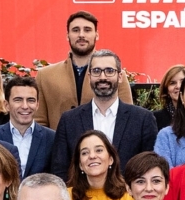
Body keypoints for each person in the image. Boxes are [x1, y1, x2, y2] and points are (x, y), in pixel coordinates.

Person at [51, 50, 158, 182]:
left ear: (119, 77)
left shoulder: (143, 119)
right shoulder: (69, 120)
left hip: (127, 199)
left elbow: (149, 166)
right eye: (96, 71)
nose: (102, 77)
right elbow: (59, 169)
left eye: (109, 71)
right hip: (81, 199)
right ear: (89, 76)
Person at [34, 11, 133, 126]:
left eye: (87, 30)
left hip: (104, 143)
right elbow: (39, 123)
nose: (81, 35)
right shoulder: (45, 76)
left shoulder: (115, 75)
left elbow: (127, 120)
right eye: (76, 30)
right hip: (59, 142)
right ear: (67, 35)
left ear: (97, 34)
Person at [0, 77, 56, 177]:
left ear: (37, 105)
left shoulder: (52, 138)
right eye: (18, 100)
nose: (25, 106)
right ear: (6, 105)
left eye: (31, 100)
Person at [153, 64, 185, 130]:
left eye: (183, 82)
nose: (178, 86)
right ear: (167, 90)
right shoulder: (155, 118)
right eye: (172, 83)